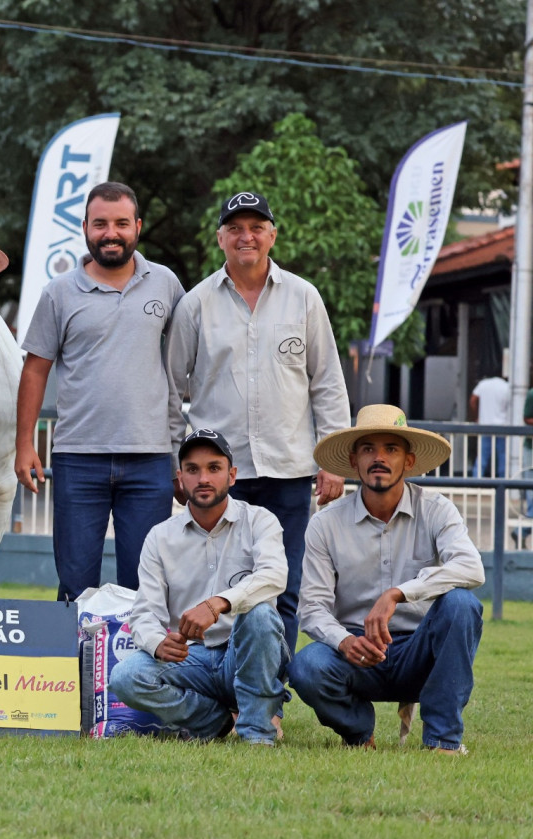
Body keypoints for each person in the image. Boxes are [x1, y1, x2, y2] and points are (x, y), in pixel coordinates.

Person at [167, 190, 351, 653]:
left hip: (289, 470)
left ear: (272, 234)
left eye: (255, 228)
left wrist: (334, 460)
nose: (245, 236)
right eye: (235, 229)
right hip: (218, 474)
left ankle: (270, 699)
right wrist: (177, 460)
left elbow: (326, 380)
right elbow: (170, 388)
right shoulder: (195, 304)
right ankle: (221, 692)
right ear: (220, 238)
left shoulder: (304, 298)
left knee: (280, 588)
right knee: (215, 587)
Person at [16, 182, 183, 601]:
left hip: (150, 458)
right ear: (85, 228)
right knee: (75, 586)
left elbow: (190, 360)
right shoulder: (59, 292)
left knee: (145, 587)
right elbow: (35, 370)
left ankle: (138, 670)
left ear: (138, 227)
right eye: (101, 224)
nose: (112, 233)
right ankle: (70, 668)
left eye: (122, 223)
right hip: (78, 457)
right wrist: (24, 444)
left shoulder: (165, 284)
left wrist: (184, 455)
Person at [289, 405, 485, 753]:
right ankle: (360, 733)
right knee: (306, 666)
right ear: (354, 461)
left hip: (420, 650)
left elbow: (471, 567)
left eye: (391, 449)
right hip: (357, 652)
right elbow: (312, 608)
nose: (379, 458)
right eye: (368, 449)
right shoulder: (326, 523)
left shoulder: (436, 508)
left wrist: (397, 594)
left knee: (461, 604)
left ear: (408, 461)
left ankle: (443, 741)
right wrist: (345, 642)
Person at [107, 429, 288, 745]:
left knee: (259, 615)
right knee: (126, 678)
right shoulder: (160, 537)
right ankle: (214, 721)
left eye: (214, 468)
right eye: (193, 469)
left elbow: (275, 576)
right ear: (180, 478)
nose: (203, 478)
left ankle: (257, 734)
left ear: (232, 475)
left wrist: (218, 603)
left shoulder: (260, 520)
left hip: (247, 651)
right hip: (192, 659)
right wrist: (156, 643)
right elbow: (145, 612)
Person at [469, 362, 511, 477]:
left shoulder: (483, 384)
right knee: (502, 456)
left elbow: (473, 400)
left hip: (485, 425)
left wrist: (476, 416)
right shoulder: (506, 386)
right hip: (502, 426)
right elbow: (511, 407)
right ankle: (503, 482)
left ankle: (475, 482)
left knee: (482, 455)